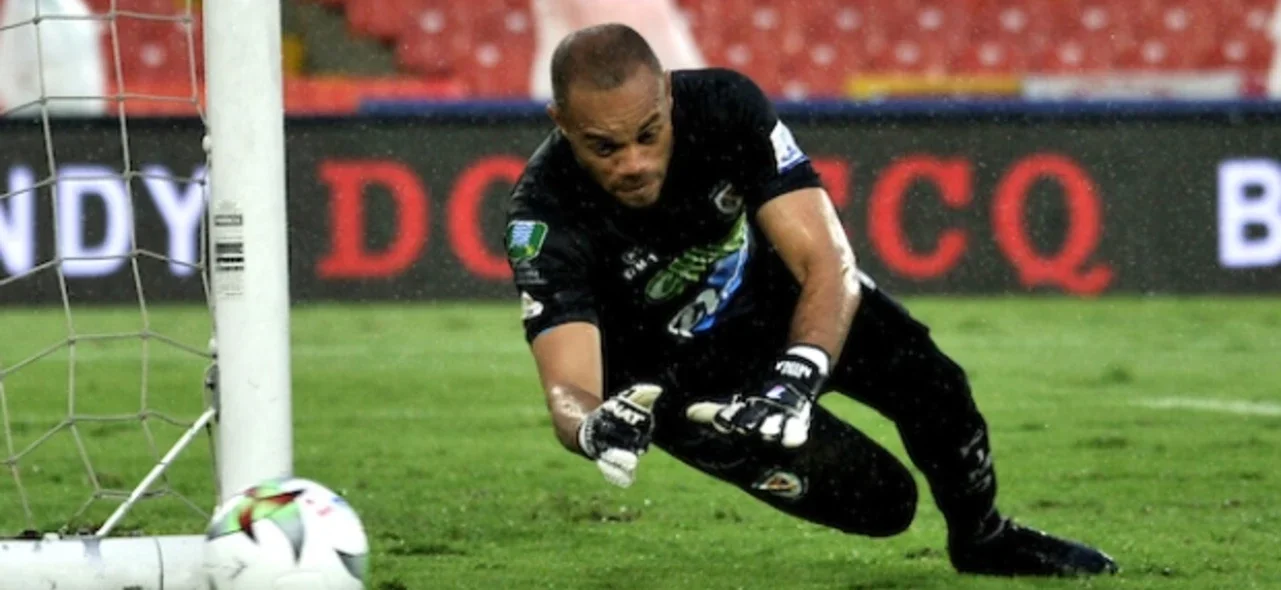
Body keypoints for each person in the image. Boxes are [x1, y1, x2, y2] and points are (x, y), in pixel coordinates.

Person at [504, 23, 1118, 577]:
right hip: (684, 382)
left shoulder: (725, 106)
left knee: (936, 389)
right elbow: (569, 387)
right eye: (604, 147)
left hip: (775, 298)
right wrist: (594, 428)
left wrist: (799, 373)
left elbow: (825, 259)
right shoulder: (542, 217)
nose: (634, 163)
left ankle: (983, 538)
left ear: (667, 92)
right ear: (561, 121)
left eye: (648, 134)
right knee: (884, 504)